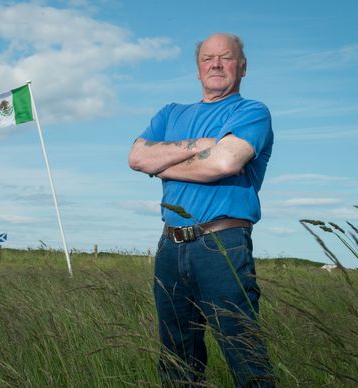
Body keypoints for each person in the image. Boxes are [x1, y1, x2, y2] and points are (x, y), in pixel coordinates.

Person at [128, 33, 275, 387]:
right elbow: (136, 157)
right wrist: (203, 145)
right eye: (208, 58)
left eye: (226, 57)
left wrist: (160, 164)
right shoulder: (171, 113)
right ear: (198, 70)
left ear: (242, 66)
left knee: (244, 354)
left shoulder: (251, 111)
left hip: (222, 243)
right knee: (177, 359)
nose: (217, 64)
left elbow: (224, 163)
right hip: (169, 247)